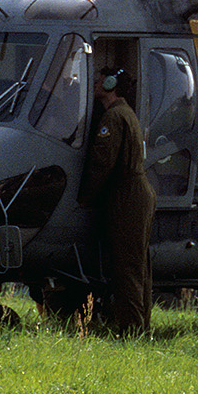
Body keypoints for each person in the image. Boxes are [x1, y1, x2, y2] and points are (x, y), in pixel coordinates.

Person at [78, 67, 156, 336]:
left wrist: (85, 197)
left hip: (127, 195)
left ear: (111, 84)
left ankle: (132, 332)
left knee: (126, 268)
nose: (95, 83)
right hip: (138, 192)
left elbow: (102, 162)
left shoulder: (112, 117)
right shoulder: (127, 113)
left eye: (99, 80)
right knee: (138, 266)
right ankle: (140, 327)